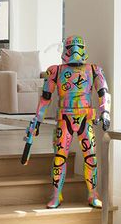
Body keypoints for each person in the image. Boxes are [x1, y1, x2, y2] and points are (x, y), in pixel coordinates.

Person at [22, 35, 110, 209]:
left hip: (85, 119)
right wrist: (37, 120)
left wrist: (105, 112)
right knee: (60, 158)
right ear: (64, 50)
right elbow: (45, 98)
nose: (75, 51)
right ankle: (56, 195)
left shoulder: (93, 69)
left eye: (78, 47)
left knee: (90, 157)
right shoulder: (56, 71)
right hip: (64, 119)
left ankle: (93, 194)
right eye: (71, 48)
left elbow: (103, 93)